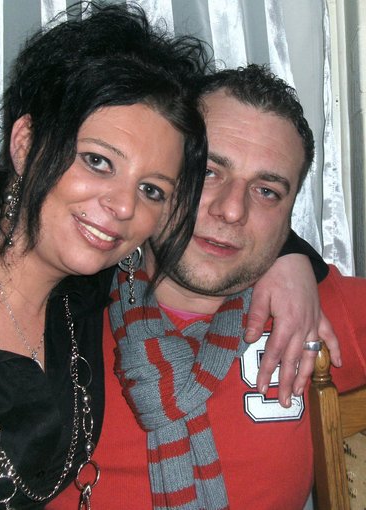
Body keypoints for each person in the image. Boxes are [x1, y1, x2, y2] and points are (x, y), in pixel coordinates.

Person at [0, 4, 336, 509]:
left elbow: (233, 230)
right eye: (98, 161)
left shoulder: (93, 282)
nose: (123, 206)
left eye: (152, 189)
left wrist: (291, 261)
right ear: (26, 143)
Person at [50, 65, 366, 510]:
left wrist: (293, 255)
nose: (232, 210)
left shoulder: (318, 313)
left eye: (267, 191)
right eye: (209, 172)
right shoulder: (61, 310)